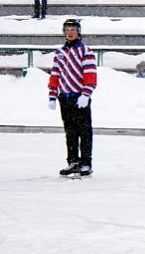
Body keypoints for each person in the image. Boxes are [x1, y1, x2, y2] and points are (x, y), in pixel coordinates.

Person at [48, 19, 97, 177]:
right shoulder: (60, 53)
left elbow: (90, 74)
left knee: (84, 131)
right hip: (65, 97)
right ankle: (73, 161)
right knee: (70, 131)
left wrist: (86, 93)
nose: (70, 32)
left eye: (73, 29)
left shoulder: (85, 51)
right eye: (67, 29)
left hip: (79, 96)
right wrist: (52, 95)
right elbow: (55, 74)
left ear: (78, 32)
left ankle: (86, 163)